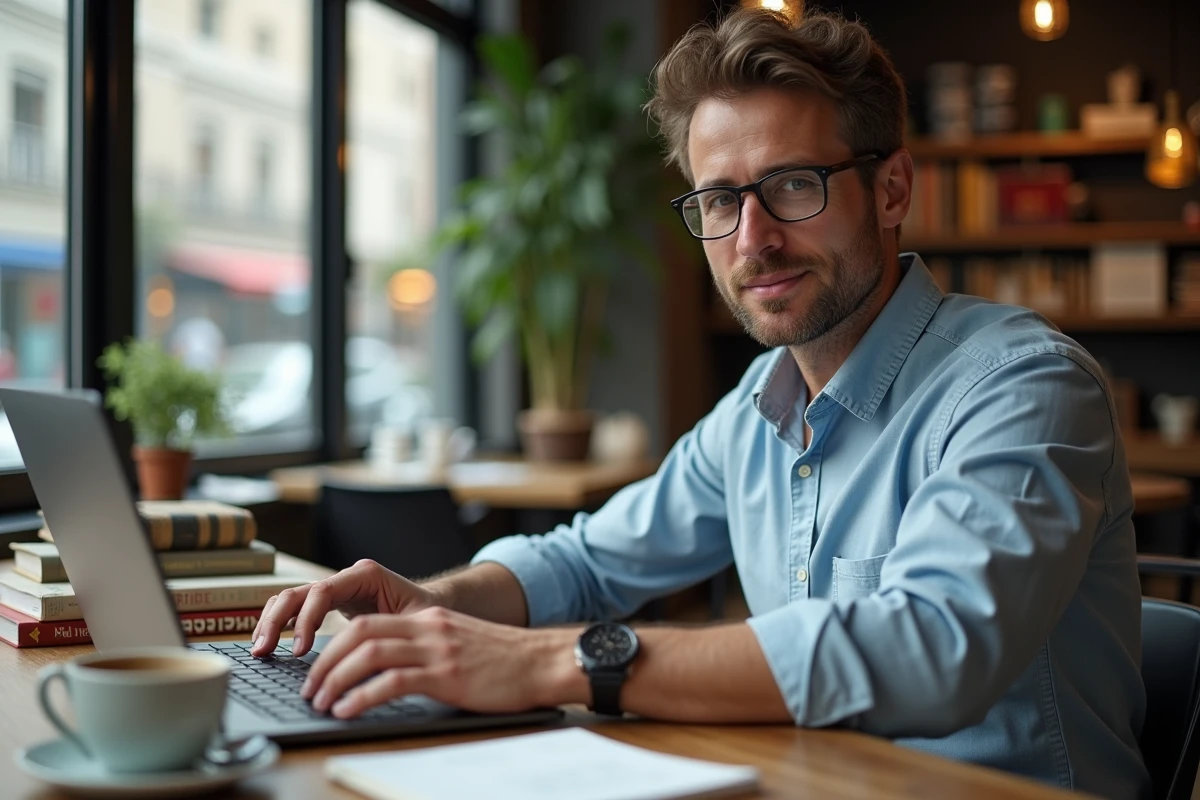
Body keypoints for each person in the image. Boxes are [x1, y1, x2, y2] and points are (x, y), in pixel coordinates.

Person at [252, 8, 1148, 795]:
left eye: (793, 185)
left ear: (891, 188)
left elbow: (933, 648)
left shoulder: (1023, 383)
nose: (753, 239)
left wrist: (540, 662)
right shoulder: (758, 409)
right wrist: (434, 605)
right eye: (720, 199)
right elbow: (584, 565)